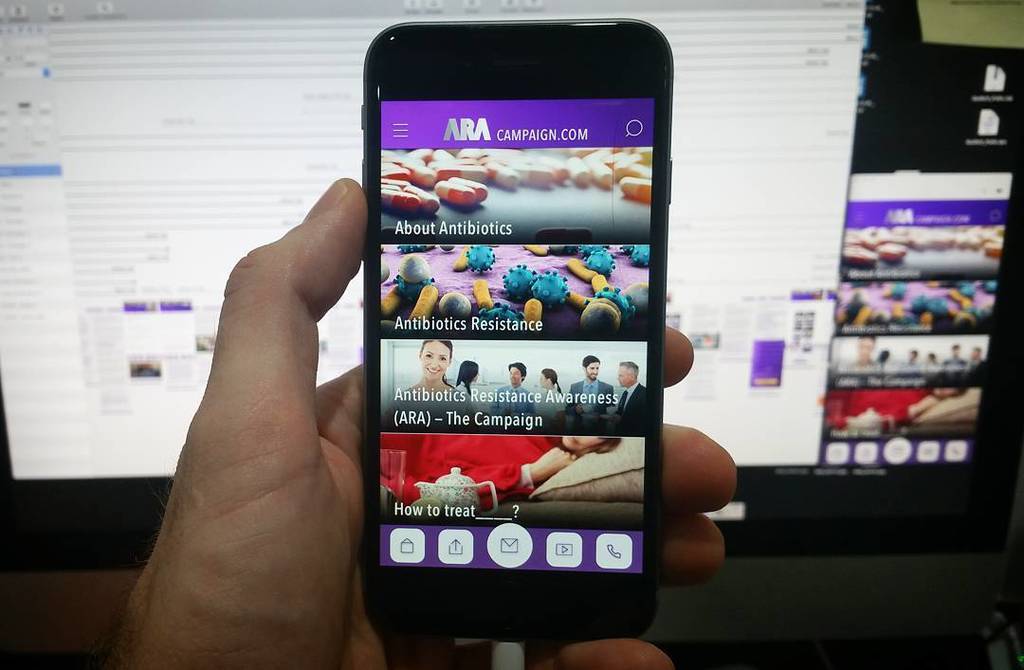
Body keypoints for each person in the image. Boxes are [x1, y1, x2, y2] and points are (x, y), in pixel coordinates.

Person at [100, 180, 735, 669]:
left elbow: (479, 480)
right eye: (429, 355)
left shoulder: (551, 448)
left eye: (599, 437)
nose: (589, 433)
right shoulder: (481, 408)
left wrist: (527, 472)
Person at [566, 354, 615, 432]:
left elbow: (612, 411)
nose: (595, 372)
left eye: (597, 368)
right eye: (592, 368)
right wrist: (575, 409)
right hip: (579, 431)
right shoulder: (574, 387)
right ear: (584, 368)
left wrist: (601, 416)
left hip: (600, 431)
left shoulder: (608, 388)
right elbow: (567, 409)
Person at [609, 361, 648, 435]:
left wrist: (621, 420)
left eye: (621, 375)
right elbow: (621, 412)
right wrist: (611, 416)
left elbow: (645, 421)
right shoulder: (625, 393)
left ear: (632, 377)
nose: (618, 378)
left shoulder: (645, 394)